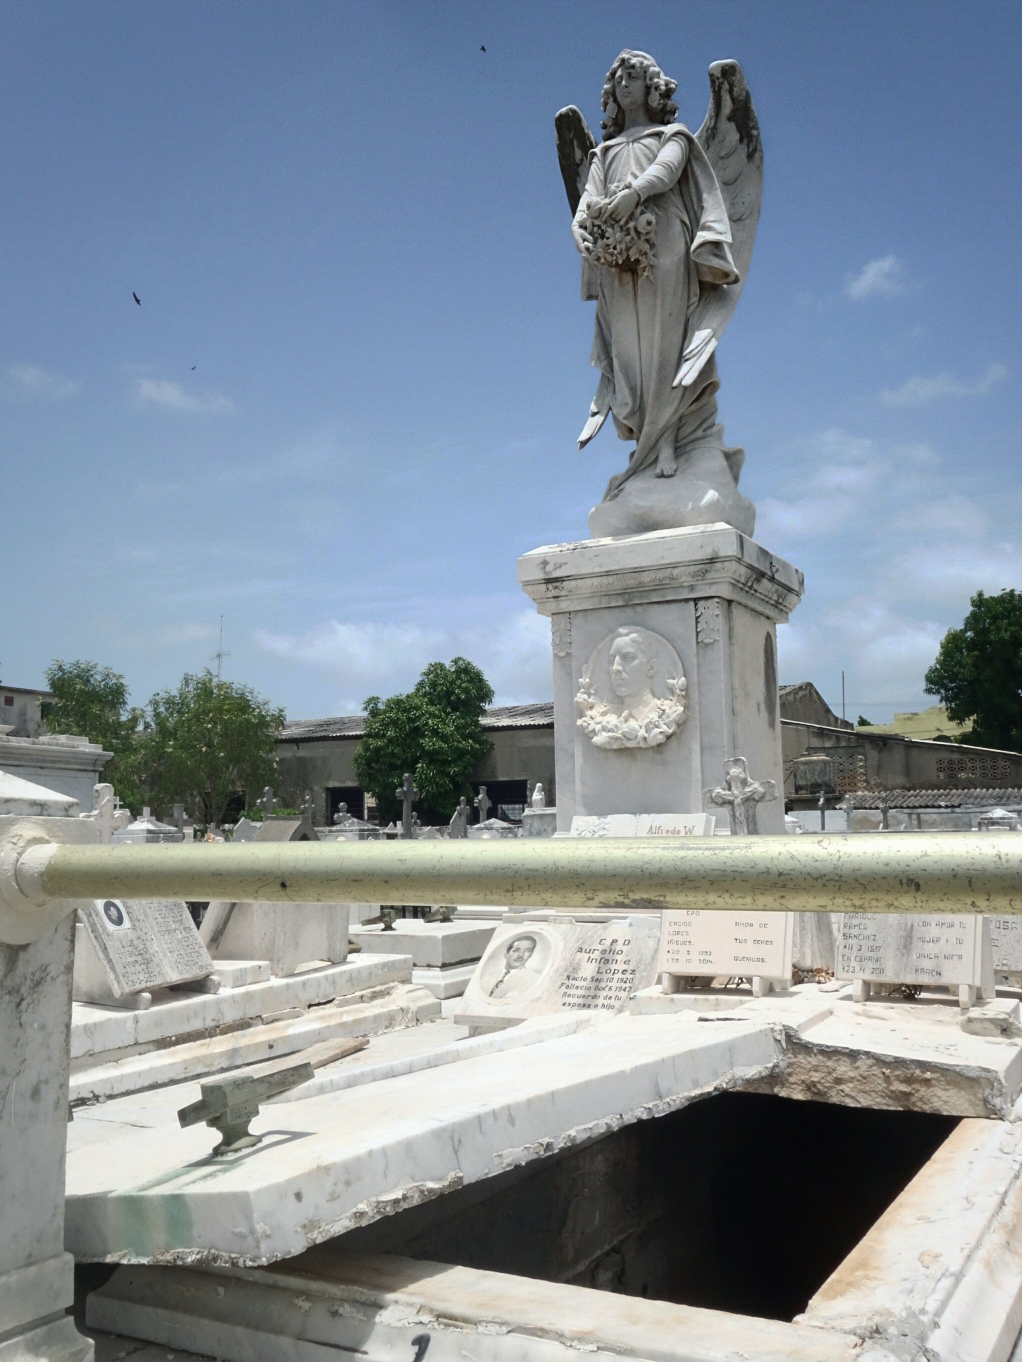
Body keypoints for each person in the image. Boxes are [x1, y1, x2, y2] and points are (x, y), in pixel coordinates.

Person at [572, 50, 742, 515]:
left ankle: (666, 443)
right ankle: (643, 446)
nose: (624, 84)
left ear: (651, 86)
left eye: (633, 76)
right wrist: (579, 226)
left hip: (664, 243)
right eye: (618, 78)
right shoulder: (604, 152)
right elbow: (588, 197)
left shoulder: (674, 136)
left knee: (665, 345)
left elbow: (664, 172)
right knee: (630, 354)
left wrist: (634, 194)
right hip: (617, 257)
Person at [487, 934, 545, 999]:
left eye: (528, 951)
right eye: (516, 950)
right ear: (506, 955)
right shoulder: (487, 978)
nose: (521, 955)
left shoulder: (534, 980)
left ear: (530, 955)